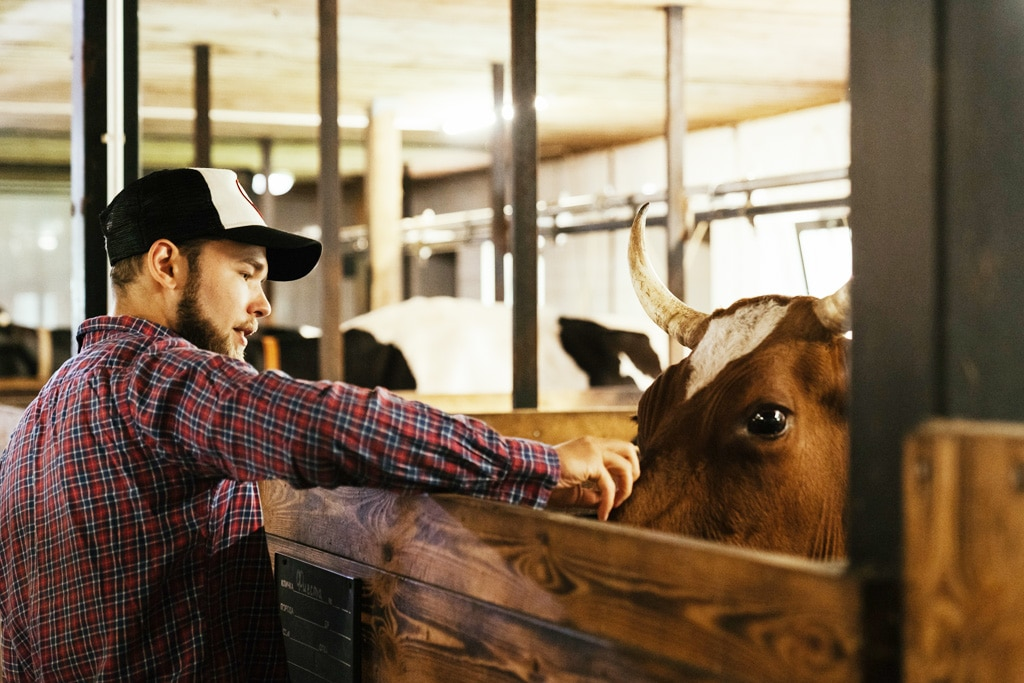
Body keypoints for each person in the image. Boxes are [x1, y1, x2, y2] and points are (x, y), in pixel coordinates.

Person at [0, 167, 640, 681]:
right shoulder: (162, 380)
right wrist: (539, 465)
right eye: (247, 273)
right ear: (166, 265)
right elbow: (332, 427)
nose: (263, 303)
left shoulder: (48, 408)